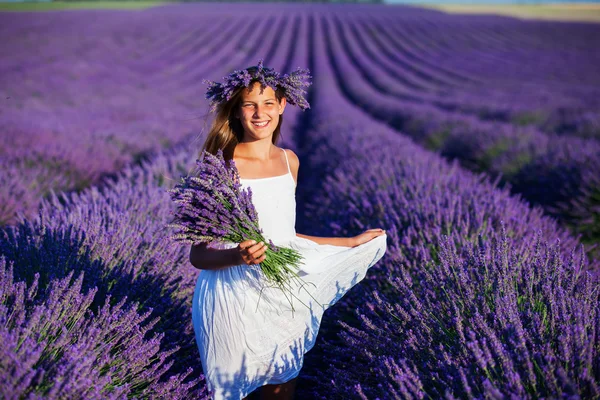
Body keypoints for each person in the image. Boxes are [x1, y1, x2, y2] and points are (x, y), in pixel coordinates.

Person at [189, 60, 387, 400]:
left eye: (268, 103)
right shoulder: (219, 166)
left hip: (282, 294)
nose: (259, 113)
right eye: (249, 104)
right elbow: (198, 255)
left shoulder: (288, 161)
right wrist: (238, 254)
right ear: (236, 111)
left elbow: (284, 236)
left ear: (282, 105)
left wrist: (350, 242)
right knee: (233, 391)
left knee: (282, 389)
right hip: (231, 296)